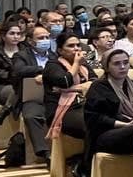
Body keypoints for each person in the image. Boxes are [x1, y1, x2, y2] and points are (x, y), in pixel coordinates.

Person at [78, 48, 133, 177]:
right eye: (117, 64)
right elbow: (95, 119)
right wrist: (125, 125)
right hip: (104, 134)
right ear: (107, 67)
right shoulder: (98, 87)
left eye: (125, 63)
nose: (122, 67)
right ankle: (83, 168)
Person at [12, 23, 57, 160]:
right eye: (41, 38)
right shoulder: (21, 55)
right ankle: (44, 153)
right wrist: (42, 70)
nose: (45, 41)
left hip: (54, 97)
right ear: (31, 41)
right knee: (31, 115)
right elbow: (19, 70)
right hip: (32, 97)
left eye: (47, 37)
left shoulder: (54, 56)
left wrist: (46, 76)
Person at [41, 31, 90, 149]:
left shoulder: (83, 65)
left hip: (84, 105)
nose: (76, 49)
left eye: (78, 45)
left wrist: (69, 90)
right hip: (63, 111)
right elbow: (65, 81)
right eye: (71, 46)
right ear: (60, 50)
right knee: (91, 125)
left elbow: (94, 82)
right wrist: (76, 64)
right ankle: (88, 159)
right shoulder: (53, 65)